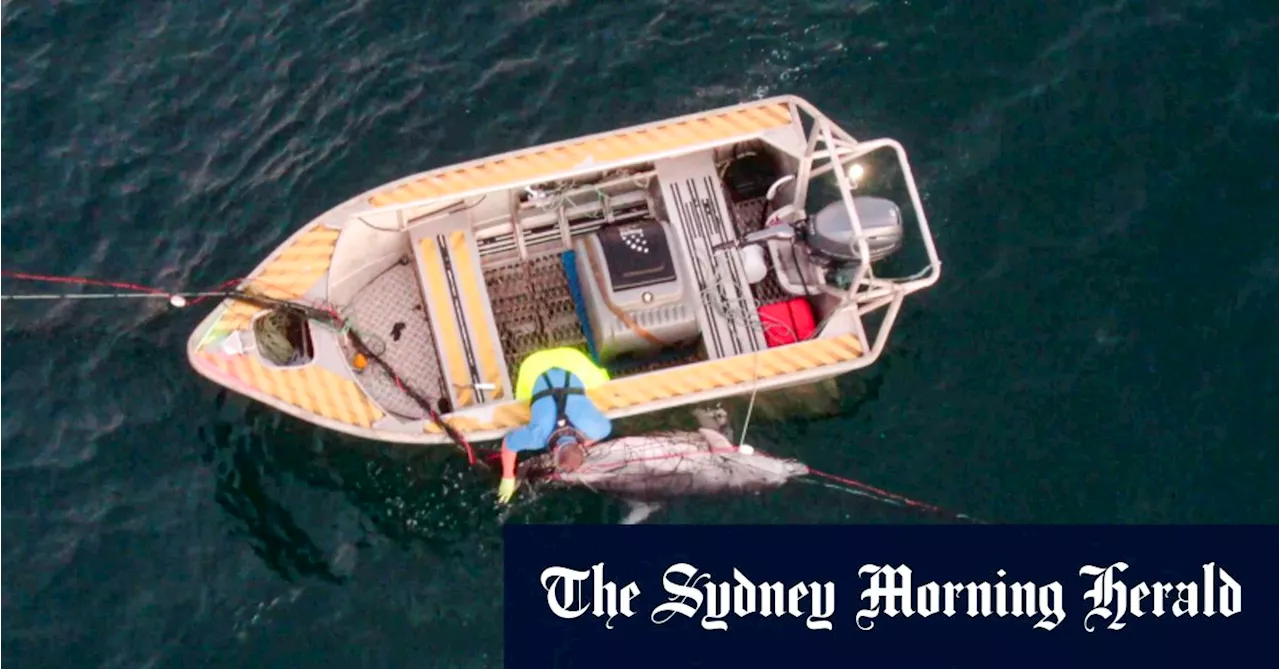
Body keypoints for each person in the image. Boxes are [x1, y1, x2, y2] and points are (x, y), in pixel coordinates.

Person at [497, 347, 612, 504]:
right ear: (556, 450)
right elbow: (509, 443)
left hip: (572, 360)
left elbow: (607, 429)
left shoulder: (595, 429)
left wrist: (585, 442)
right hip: (533, 367)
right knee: (523, 403)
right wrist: (508, 477)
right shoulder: (538, 437)